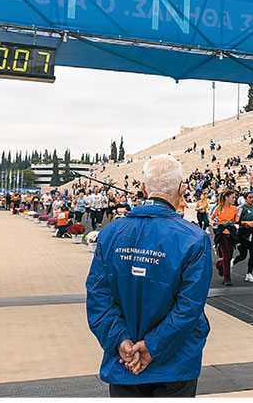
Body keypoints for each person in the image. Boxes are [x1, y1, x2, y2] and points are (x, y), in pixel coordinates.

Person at [85, 155, 211, 397]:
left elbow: (97, 297)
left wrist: (121, 341)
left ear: (143, 188)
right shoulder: (195, 239)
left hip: (125, 360)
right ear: (182, 189)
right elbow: (189, 307)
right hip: (175, 363)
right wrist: (152, 347)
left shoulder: (111, 233)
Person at [211, 190, 238, 286]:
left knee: (229, 256)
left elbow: (236, 219)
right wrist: (213, 222)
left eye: (235, 197)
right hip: (222, 233)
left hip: (231, 233)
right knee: (226, 256)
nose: (234, 199)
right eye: (233, 197)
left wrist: (237, 220)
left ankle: (219, 264)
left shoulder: (234, 208)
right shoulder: (219, 208)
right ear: (227, 198)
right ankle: (227, 278)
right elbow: (212, 217)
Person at [231, 192, 253, 283]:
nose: (252, 199)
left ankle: (249, 274)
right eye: (250, 197)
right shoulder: (242, 208)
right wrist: (246, 223)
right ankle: (234, 261)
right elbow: (236, 221)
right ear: (245, 199)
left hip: (252, 233)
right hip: (243, 233)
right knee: (243, 255)